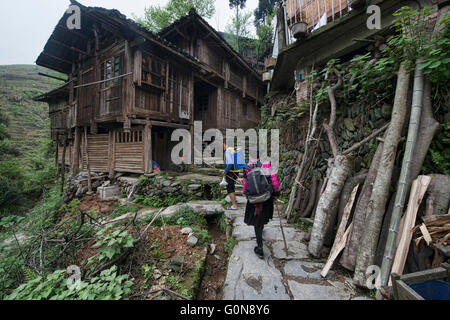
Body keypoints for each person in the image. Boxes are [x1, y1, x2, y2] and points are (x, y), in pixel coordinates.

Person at [243, 158, 280, 259]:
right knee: (262, 219)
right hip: (266, 197)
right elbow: (273, 179)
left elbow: (245, 184)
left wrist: (247, 196)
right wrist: (276, 193)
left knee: (256, 223)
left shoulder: (247, 166)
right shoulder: (266, 164)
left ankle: (260, 248)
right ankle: (261, 231)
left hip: (253, 200)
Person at [223, 143, 239, 210]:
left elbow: (229, 163)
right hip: (235, 172)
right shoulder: (233, 150)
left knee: (230, 189)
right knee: (232, 186)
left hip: (230, 173)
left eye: (223, 145)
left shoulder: (228, 151)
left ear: (226, 144)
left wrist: (225, 171)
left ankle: (234, 206)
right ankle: (234, 201)